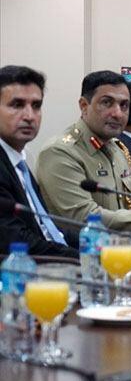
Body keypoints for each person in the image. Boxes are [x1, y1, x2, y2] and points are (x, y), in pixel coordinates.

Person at [36, 70, 131, 232]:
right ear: (84, 106)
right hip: (86, 247)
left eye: (124, 105)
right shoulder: (59, 152)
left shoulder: (116, 148)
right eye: (107, 103)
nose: (117, 113)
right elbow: (86, 216)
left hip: (126, 245)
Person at [0, 65, 77, 257]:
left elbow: (45, 227)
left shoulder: (20, 161)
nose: (29, 116)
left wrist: (97, 241)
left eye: (36, 106)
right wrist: (81, 257)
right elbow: (15, 239)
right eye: (17, 105)